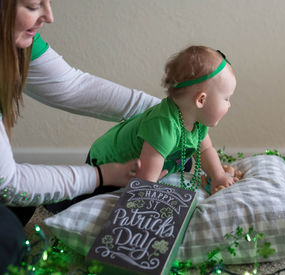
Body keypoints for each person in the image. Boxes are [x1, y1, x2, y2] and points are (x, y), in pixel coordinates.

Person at [0, 0, 162, 271]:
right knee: (9, 238)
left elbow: (73, 86)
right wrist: (100, 176)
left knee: (24, 205)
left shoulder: (15, 43)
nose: (48, 17)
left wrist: (171, 116)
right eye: (32, 5)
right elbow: (9, 184)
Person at [88, 45, 239, 193]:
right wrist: (150, 190)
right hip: (108, 164)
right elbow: (144, 183)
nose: (230, 104)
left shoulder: (196, 120)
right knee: (94, 192)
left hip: (159, 160)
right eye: (226, 98)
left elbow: (205, 149)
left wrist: (218, 176)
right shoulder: (163, 127)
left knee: (186, 161)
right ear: (201, 100)